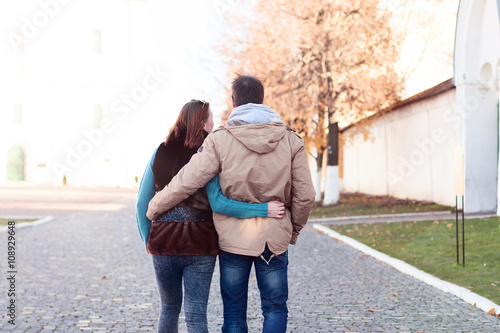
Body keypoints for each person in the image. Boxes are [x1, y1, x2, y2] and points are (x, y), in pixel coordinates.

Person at [146, 75, 316, 333]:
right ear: (262, 100)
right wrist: (292, 230)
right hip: (275, 237)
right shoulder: (291, 140)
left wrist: (154, 207)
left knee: (234, 313)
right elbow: (306, 196)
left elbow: (187, 181)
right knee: (275, 308)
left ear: (234, 102)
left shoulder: (219, 140)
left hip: (234, 240)